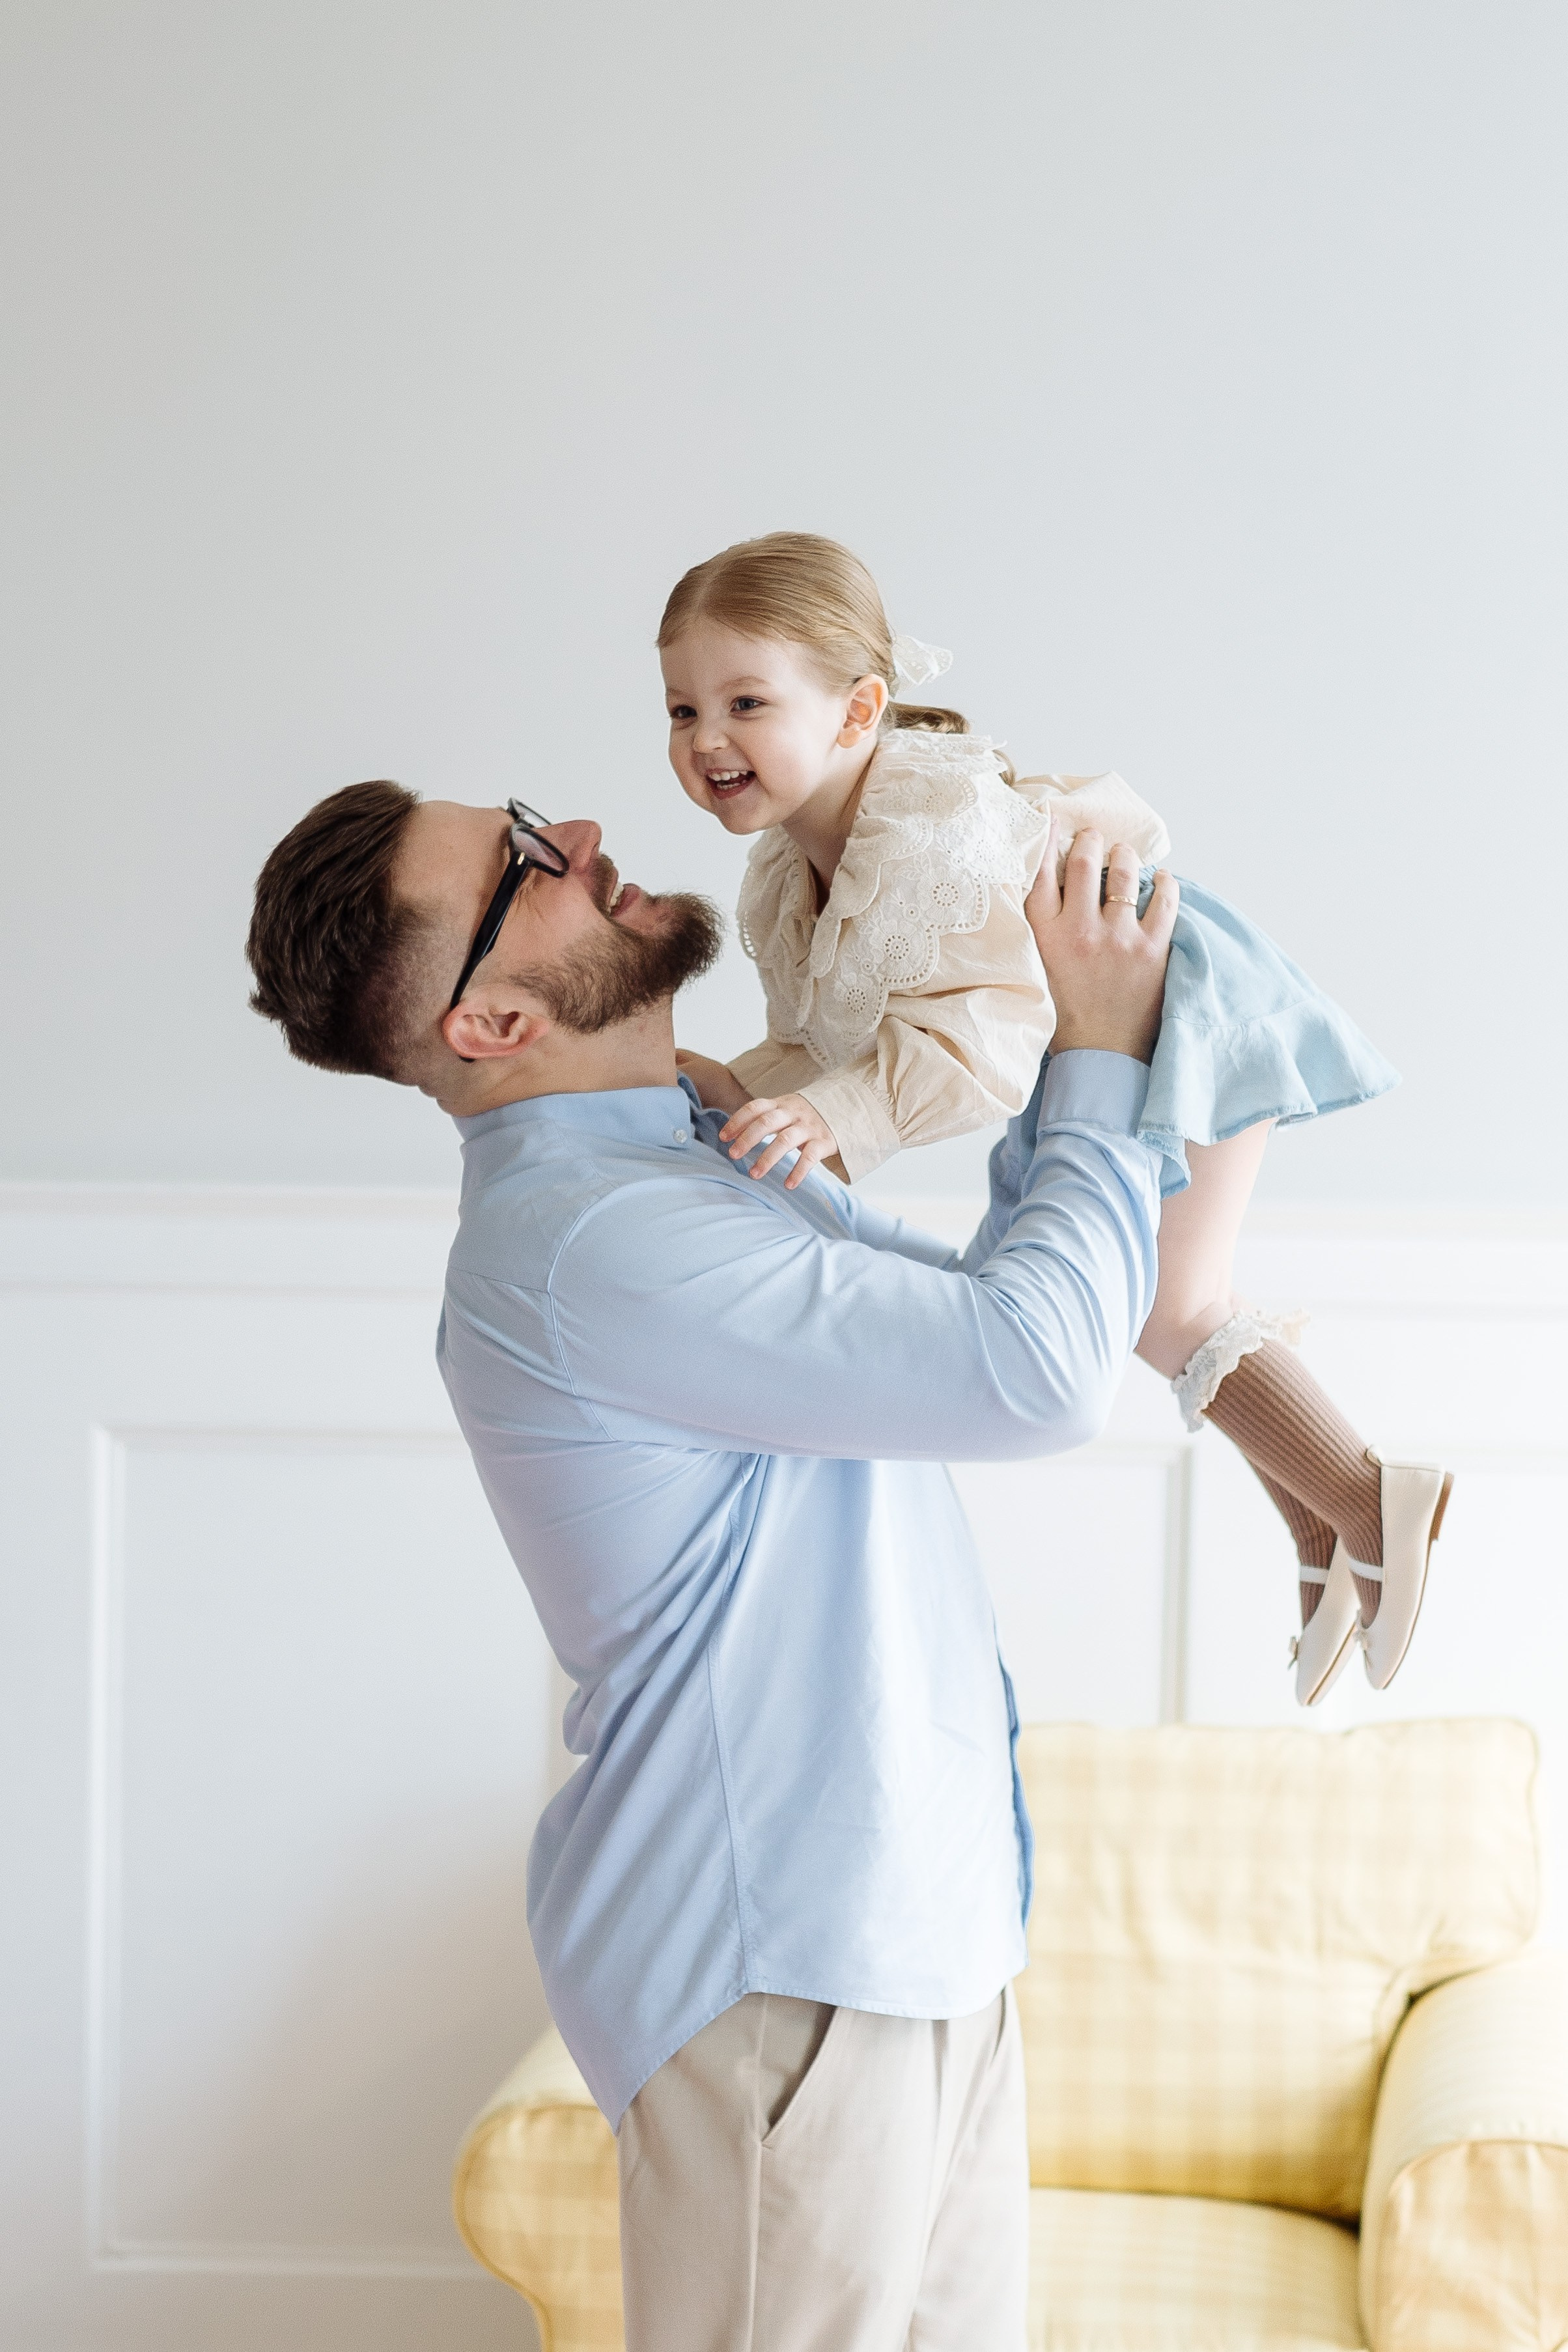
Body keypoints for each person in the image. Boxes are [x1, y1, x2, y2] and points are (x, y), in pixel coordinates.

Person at [247, 777, 1174, 2350]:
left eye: (539, 817)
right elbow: (1036, 1375)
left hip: (908, 1931)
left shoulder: (692, 1158)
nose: (589, 838)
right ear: (485, 1026)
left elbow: (988, 1328)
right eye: (530, 864)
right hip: (783, 1971)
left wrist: (1044, 1042)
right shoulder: (591, 1240)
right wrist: (1097, 1049)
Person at [658, 531, 1453, 1706]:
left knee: (1164, 1306)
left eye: (744, 703)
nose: (706, 739)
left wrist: (831, 1118)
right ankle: (1328, 1528)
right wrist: (747, 1085)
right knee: (1171, 1304)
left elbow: (973, 1051)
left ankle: (1377, 1497)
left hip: (1160, 1005)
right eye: (681, 709)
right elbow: (836, 1041)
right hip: (1086, 1044)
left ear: (855, 711)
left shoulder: (931, 831)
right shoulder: (796, 869)